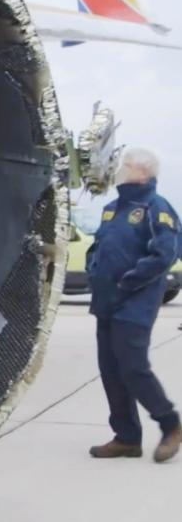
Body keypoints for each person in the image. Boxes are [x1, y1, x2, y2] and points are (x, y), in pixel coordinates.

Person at [86, 148, 181, 462]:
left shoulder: (156, 208)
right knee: (111, 371)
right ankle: (126, 437)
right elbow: (99, 246)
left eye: (126, 165)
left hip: (135, 304)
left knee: (133, 368)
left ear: (144, 173)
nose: (120, 170)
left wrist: (127, 281)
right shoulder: (112, 208)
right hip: (106, 303)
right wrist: (93, 271)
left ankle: (170, 425)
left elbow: (164, 254)